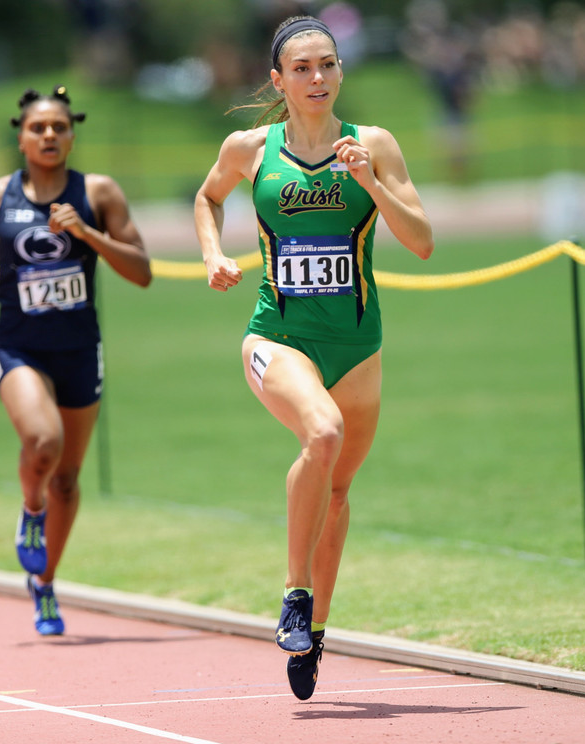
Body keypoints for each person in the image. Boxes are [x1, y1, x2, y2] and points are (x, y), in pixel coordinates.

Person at [193, 15, 434, 700]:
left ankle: (315, 632)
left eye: (327, 65)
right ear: (278, 79)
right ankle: (293, 595)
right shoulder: (249, 148)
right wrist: (213, 253)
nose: (317, 78)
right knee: (320, 433)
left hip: (358, 348)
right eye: (301, 68)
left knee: (336, 495)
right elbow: (208, 197)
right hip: (278, 337)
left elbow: (421, 241)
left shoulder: (373, 144)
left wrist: (375, 185)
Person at [0, 86, 151, 636]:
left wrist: (87, 234)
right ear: (20, 136)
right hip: (18, 346)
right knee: (42, 442)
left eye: (59, 127)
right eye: (38, 128)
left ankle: (45, 583)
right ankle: (29, 509)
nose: (49, 136)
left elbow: (142, 270)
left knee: (68, 479)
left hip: (80, 350)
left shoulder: (98, 192)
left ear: (72, 134)